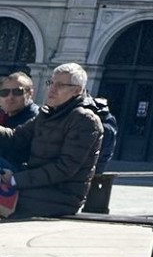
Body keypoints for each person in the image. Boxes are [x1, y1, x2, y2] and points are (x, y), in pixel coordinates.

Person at [0, 63, 103, 218]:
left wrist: (14, 179)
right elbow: (15, 138)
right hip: (33, 187)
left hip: (60, 196)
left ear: (76, 90)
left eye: (60, 85)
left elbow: (64, 169)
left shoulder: (84, 120)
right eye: (50, 83)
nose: (52, 89)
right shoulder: (47, 114)